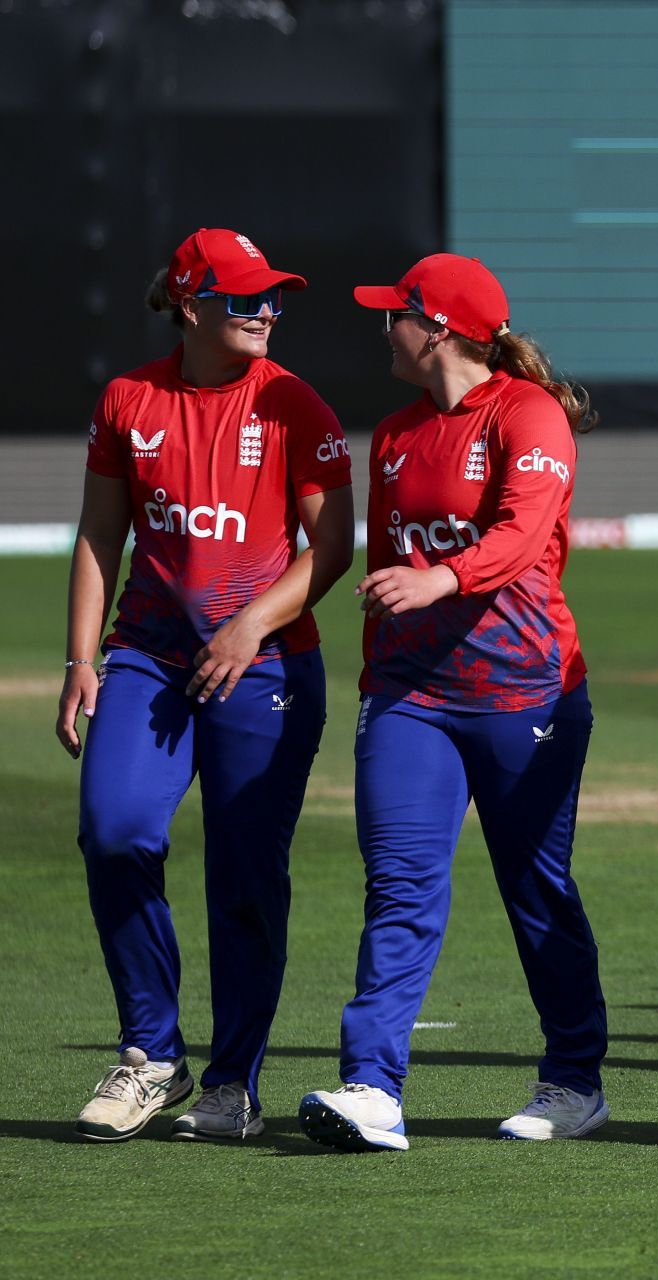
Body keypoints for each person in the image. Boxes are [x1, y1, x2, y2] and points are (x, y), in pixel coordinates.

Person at [299, 254, 608, 1152]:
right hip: (410, 698)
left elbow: (522, 533)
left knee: (536, 887)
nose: (381, 326)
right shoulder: (393, 434)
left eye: (393, 313)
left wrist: (443, 577)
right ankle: (373, 1088)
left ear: (436, 328)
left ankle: (574, 1080)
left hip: (528, 693)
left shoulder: (529, 412)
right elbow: (388, 569)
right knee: (399, 886)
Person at [60, 228, 354, 1141]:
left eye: (273, 297)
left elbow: (334, 548)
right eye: (244, 299)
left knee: (242, 873)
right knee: (113, 833)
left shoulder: (296, 405)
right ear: (191, 306)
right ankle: (152, 1055)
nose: (267, 311)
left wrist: (249, 623)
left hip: (263, 665)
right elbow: (100, 535)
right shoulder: (129, 399)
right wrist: (80, 659)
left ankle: (232, 1083)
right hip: (146, 655)